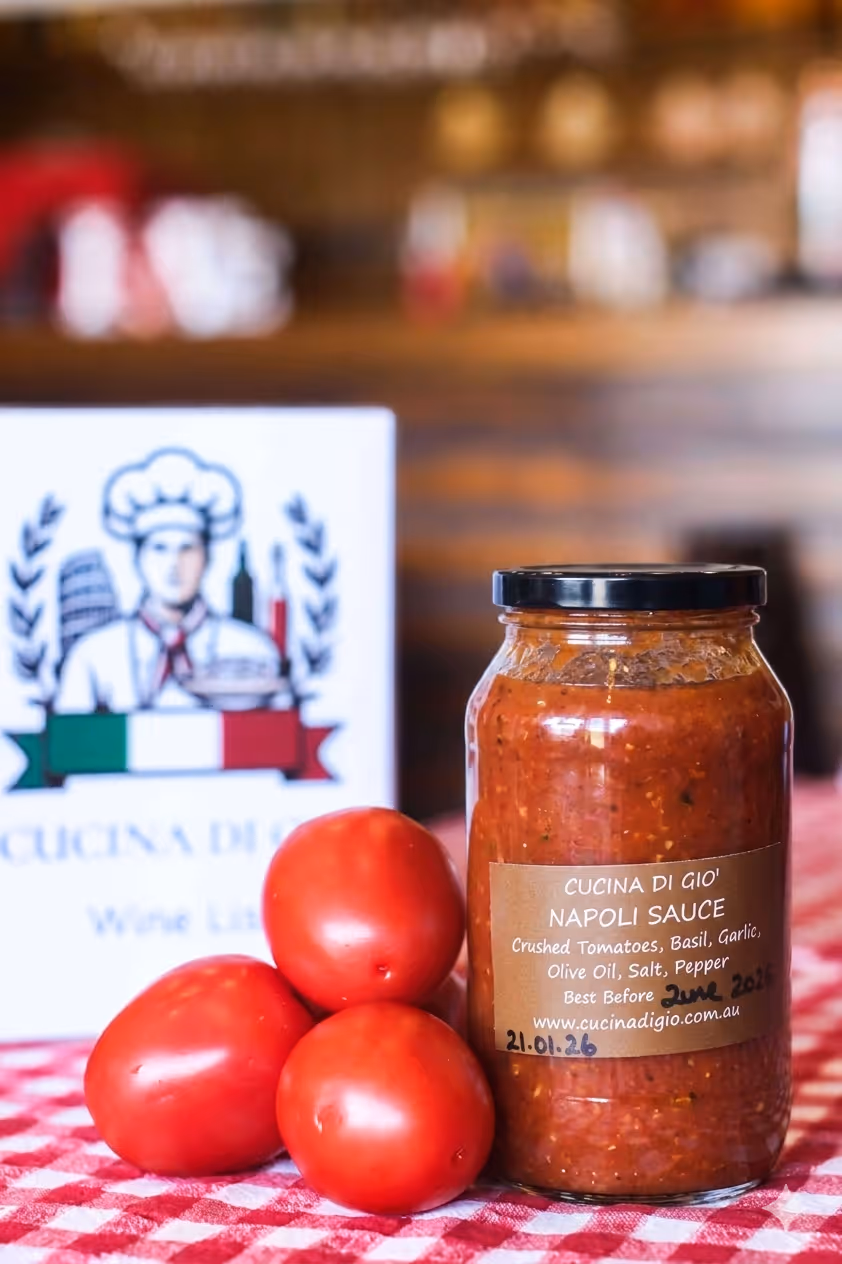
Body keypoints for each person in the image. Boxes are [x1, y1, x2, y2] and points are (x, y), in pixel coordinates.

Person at [54, 448, 280, 713]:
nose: (174, 565)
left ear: (208, 558)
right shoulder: (92, 655)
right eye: (159, 549)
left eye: (187, 549)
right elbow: (69, 744)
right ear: (137, 559)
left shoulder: (254, 650)